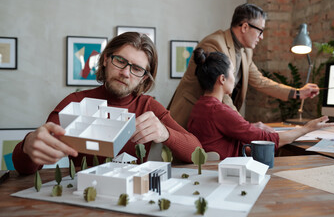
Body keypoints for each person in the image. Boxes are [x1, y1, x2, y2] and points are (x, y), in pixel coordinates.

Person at [13, 32, 202, 175]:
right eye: (120, 61)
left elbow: (197, 152)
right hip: (83, 198)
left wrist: (166, 133)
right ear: (105, 59)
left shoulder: (149, 107)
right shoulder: (75, 102)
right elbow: (24, 168)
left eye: (136, 68)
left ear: (144, 79)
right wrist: (28, 144)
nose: (126, 73)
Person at [168, 3, 320, 129]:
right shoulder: (214, 44)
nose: (262, 37)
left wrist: (298, 93)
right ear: (245, 27)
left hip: (212, 119)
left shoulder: (246, 52)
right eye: (260, 31)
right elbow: (222, 93)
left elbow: (260, 81)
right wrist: (245, 127)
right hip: (189, 117)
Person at [187, 48, 334, 159]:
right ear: (222, 79)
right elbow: (267, 140)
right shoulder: (218, 110)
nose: (234, 77)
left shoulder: (200, 106)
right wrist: (307, 128)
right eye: (232, 73)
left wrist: (250, 127)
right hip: (225, 172)